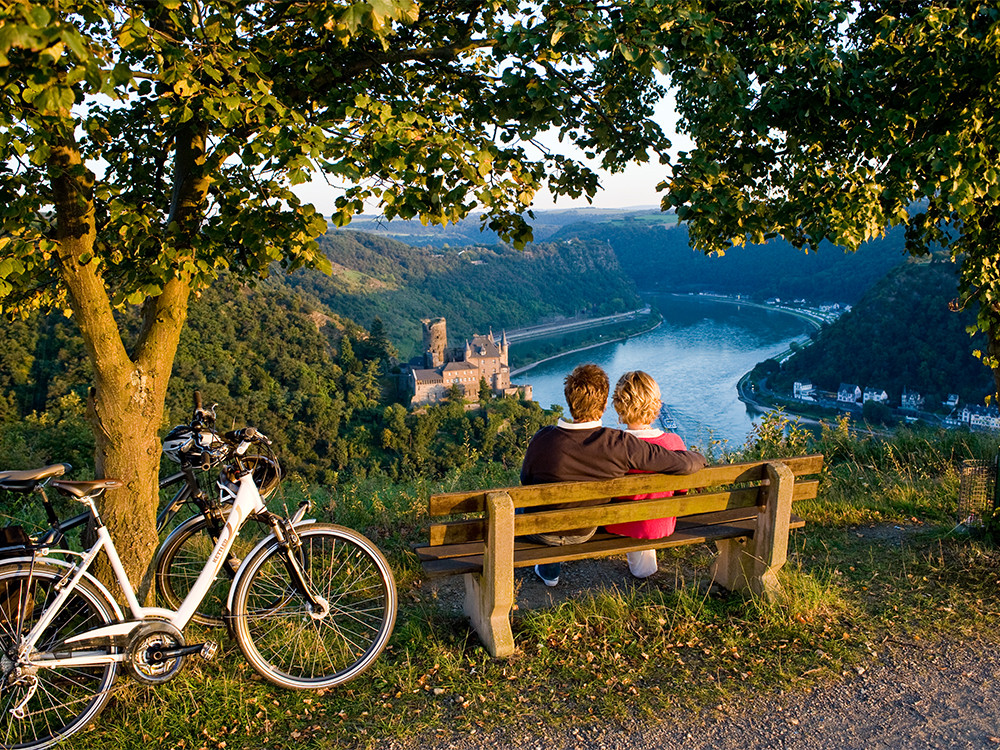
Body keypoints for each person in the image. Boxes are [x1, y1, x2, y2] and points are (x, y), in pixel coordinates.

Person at [520, 363, 706, 587]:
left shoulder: (543, 438)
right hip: (583, 530)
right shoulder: (618, 444)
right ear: (605, 405)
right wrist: (700, 458)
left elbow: (526, 480)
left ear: (569, 402)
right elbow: (679, 463)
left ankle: (549, 570)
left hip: (539, 530)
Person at [605, 370, 685, 578]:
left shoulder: (610, 445)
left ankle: (642, 567)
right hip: (661, 522)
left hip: (621, 523)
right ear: (656, 404)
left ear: (618, 405)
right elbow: (682, 489)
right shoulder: (674, 443)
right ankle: (644, 569)